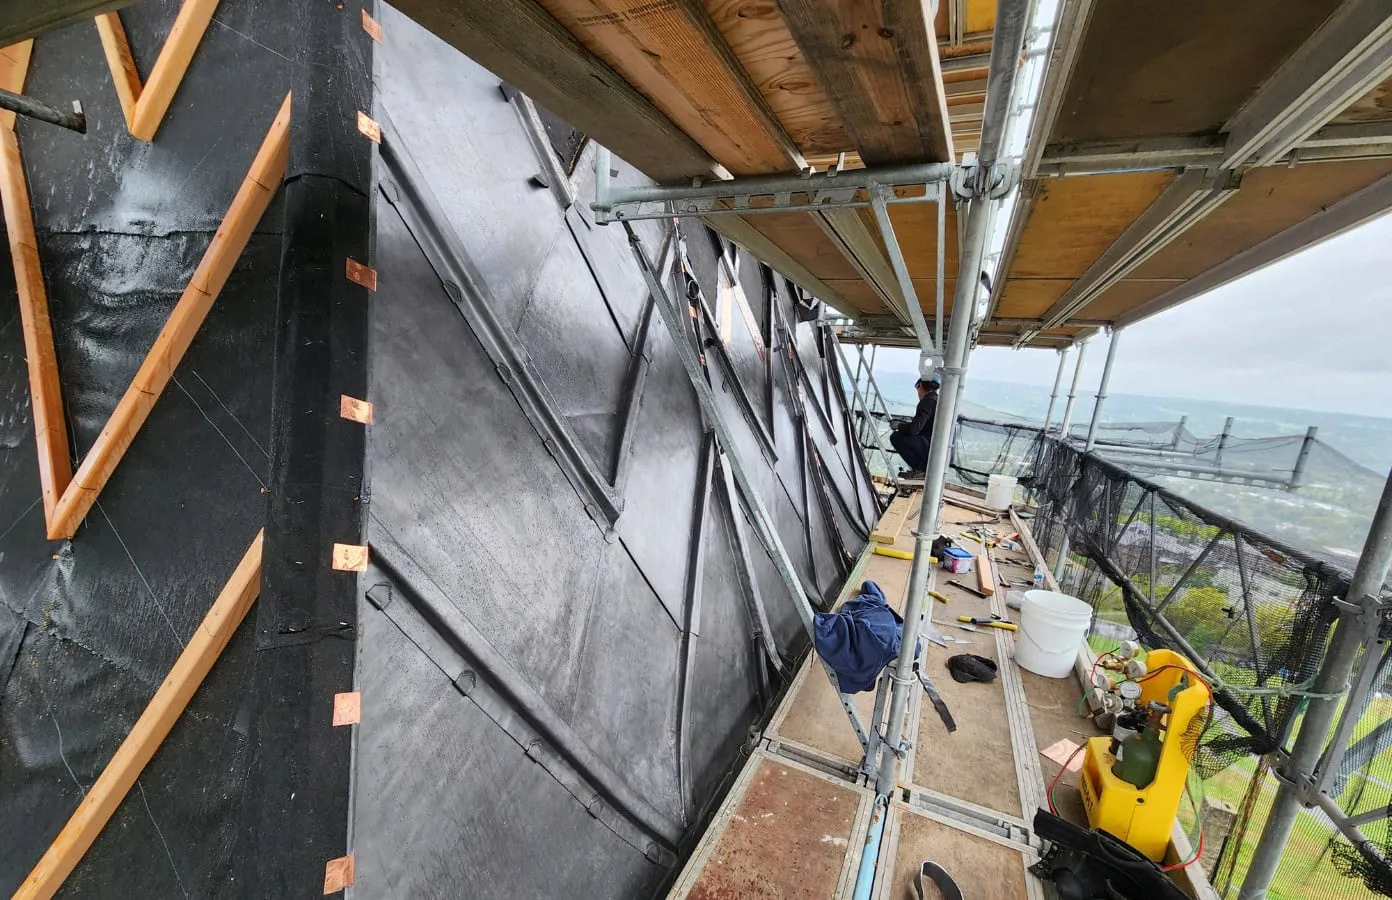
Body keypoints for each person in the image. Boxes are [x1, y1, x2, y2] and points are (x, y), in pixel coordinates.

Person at [890, 378, 938, 479]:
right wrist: (904, 425)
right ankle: (921, 470)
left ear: (921, 386)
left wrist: (898, 426)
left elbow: (914, 429)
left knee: (896, 437)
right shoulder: (937, 400)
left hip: (929, 448)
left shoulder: (927, 402)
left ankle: (920, 470)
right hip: (937, 450)